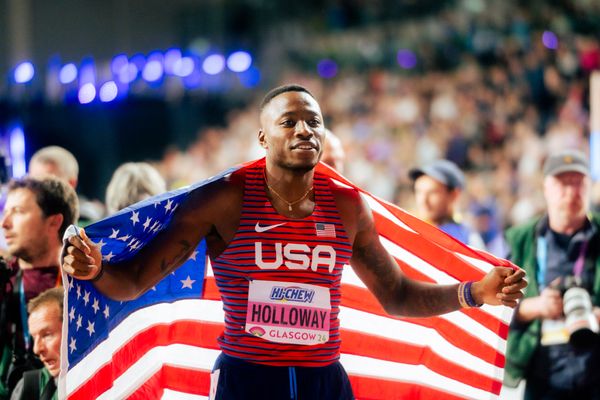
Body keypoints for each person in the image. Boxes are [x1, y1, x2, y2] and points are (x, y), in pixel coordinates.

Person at [62, 84, 526, 400]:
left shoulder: (347, 205)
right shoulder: (223, 200)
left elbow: (398, 295)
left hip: (325, 380)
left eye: (314, 121)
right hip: (248, 378)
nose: (305, 130)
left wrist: (475, 292)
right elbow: (135, 282)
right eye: (290, 122)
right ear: (263, 137)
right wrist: (98, 271)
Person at [504, 149, 600, 399]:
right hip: (541, 379)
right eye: (562, 183)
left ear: (589, 187)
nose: (571, 192)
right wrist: (533, 307)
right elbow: (493, 305)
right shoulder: (520, 241)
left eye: (578, 182)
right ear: (545, 188)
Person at [0, 177, 78, 399]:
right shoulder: (5, 284)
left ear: (53, 222)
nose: (4, 223)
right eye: (6, 212)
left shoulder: (86, 282)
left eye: (18, 211)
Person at [409, 159, 486, 248]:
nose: (423, 200)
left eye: (433, 192)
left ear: (454, 194)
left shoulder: (468, 239)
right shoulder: (410, 230)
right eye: (419, 191)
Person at [10, 288, 63, 400]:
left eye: (46, 335)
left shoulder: (106, 385)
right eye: (34, 338)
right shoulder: (30, 387)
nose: (36, 349)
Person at [28, 146, 103, 224]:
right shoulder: (22, 217)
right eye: (34, 182)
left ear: (71, 183)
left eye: (49, 184)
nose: (39, 189)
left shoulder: (87, 223)